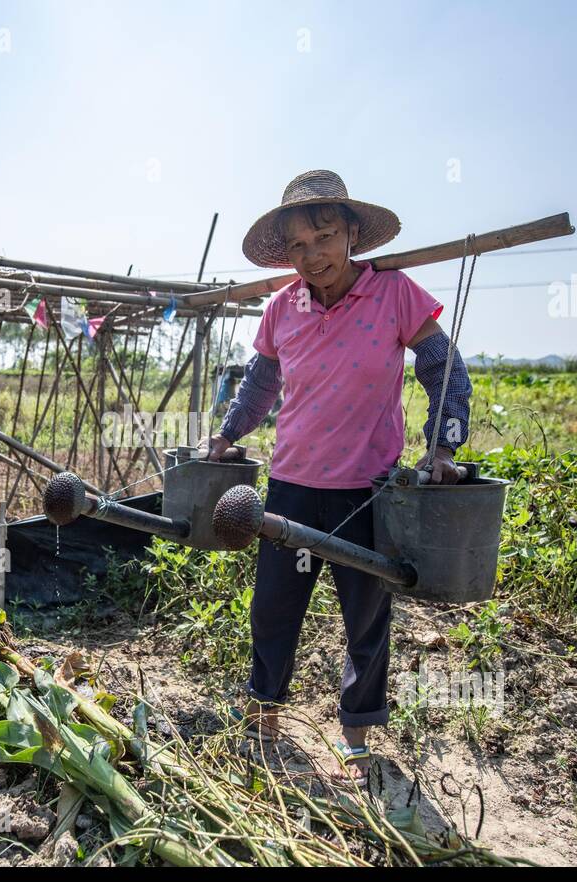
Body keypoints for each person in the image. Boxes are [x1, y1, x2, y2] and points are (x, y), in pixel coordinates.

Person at [206, 169, 472, 781]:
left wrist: (443, 446)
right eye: (297, 246)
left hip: (367, 490)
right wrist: (225, 435)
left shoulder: (395, 293)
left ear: (353, 232)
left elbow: (445, 370)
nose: (312, 255)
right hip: (292, 486)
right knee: (274, 607)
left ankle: (357, 733)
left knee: (366, 616)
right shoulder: (281, 307)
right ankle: (264, 715)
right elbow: (259, 385)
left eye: (324, 236)